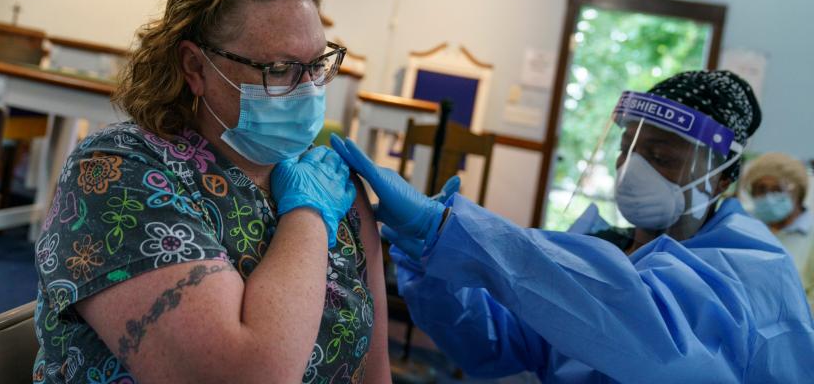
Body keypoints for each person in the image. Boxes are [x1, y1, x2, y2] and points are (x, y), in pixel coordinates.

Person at [33, 0, 390, 383]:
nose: (308, 90)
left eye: (318, 65)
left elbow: (376, 373)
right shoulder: (117, 172)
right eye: (279, 70)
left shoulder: (335, 184)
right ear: (196, 67)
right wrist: (308, 214)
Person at [332, 70, 814, 382]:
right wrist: (433, 266)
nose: (632, 169)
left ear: (725, 177)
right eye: (628, 149)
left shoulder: (756, 272)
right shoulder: (606, 247)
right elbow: (499, 344)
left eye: (662, 156)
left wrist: (454, 232)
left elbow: (652, 337)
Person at [740, 152, 814, 310]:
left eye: (777, 189)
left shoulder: (809, 235)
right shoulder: (745, 226)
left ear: (798, 192)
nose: (768, 197)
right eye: (761, 189)